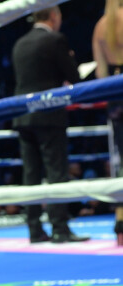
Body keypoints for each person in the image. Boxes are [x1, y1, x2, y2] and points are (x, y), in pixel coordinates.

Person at [12, 7, 90, 243]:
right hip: (48, 115)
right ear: (54, 16)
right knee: (56, 172)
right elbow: (73, 78)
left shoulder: (20, 43)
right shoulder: (55, 40)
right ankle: (60, 229)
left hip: (24, 116)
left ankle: (35, 230)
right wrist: (71, 60)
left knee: (31, 174)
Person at [93, 0, 123, 245]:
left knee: (122, 162)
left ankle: (121, 221)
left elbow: (101, 75)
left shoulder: (101, 26)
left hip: (115, 99)